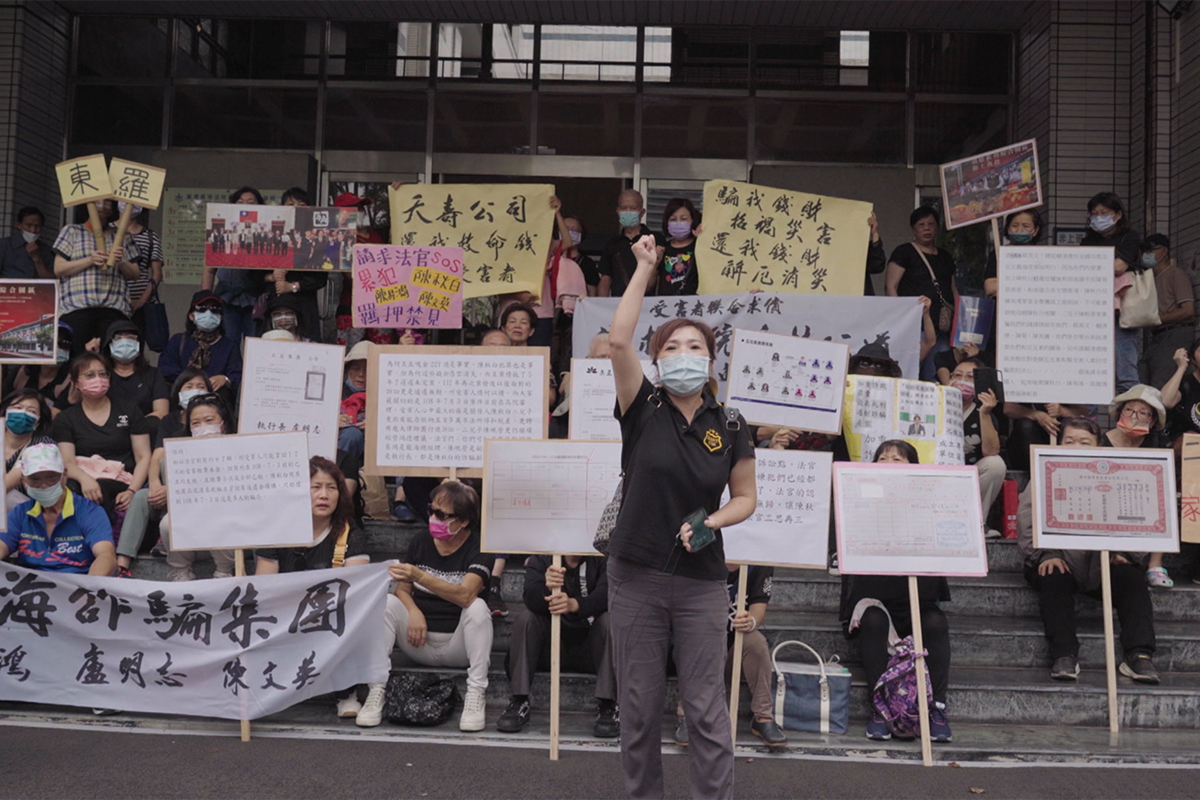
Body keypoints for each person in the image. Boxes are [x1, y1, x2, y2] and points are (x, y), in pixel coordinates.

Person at [607, 234, 756, 800]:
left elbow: (745, 497)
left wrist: (712, 523)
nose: (684, 354)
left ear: (711, 360)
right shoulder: (642, 407)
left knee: (706, 708)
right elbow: (618, 340)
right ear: (657, 360)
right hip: (635, 576)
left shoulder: (731, 423)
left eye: (695, 346)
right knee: (639, 708)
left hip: (701, 583)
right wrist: (645, 267)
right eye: (671, 347)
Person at [1017, 417, 1160, 684]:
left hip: (1101, 562)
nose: (1075, 447)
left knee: (1131, 580)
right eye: (1069, 441)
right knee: (1053, 578)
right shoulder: (1044, 473)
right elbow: (1027, 520)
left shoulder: (1118, 476)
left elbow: (1138, 518)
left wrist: (1126, 555)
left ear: (1098, 447)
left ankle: (1139, 655)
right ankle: (1064, 655)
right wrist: (1046, 554)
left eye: (1084, 442)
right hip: (1059, 559)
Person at [357, 481, 495, 732]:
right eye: (432, 510)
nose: (434, 518)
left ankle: (476, 694)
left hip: (459, 644)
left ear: (464, 521)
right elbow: (402, 589)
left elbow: (466, 595)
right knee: (387, 602)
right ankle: (377, 689)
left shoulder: (480, 547)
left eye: (442, 515)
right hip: (418, 641)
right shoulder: (421, 541)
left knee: (478, 608)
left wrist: (420, 576)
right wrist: (413, 611)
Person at [842, 439, 952, 743]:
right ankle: (880, 710)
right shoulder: (858, 502)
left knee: (935, 623)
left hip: (917, 598)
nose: (889, 464)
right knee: (874, 620)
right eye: (883, 458)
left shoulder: (928, 504)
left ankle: (937, 708)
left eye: (898, 459)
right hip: (875, 599)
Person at [255, 456, 370, 718]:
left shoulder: (350, 535)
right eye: (315, 487)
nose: (323, 495)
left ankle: (346, 691)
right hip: (285, 615)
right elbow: (264, 587)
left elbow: (356, 589)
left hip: (329, 615)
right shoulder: (277, 532)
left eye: (331, 488)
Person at [50, 353, 152, 577]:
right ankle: (72, 551)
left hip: (123, 480)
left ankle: (104, 555)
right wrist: (86, 479)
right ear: (76, 383)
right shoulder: (66, 419)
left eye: (102, 374)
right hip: (83, 478)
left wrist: (132, 490)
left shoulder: (129, 411)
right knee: (71, 490)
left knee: (102, 489)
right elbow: (67, 461)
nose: (98, 379)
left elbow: (144, 456)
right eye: (89, 375)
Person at [498, 553, 619, 739]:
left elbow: (608, 595)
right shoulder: (543, 557)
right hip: (552, 646)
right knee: (526, 619)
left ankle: (609, 704)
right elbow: (530, 597)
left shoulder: (602, 557)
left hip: (591, 646)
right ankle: (519, 700)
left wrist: (575, 604)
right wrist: (546, 589)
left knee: (610, 621)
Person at [674, 562, 786, 749]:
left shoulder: (758, 559)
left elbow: (759, 607)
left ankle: (763, 716)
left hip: (734, 649)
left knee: (755, 641)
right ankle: (687, 714)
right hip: (702, 644)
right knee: (697, 637)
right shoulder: (703, 552)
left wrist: (750, 621)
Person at [157, 392, 240, 581]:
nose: (203, 427)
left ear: (224, 424)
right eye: (195, 423)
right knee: (168, 523)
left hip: (231, 533)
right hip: (195, 528)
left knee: (218, 519)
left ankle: (224, 573)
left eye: (209, 420)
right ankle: (181, 571)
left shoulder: (240, 450)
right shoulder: (179, 456)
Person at [1, 442, 115, 575]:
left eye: (51, 478)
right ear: (24, 481)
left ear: (64, 474)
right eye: (35, 479)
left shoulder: (89, 512)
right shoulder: (20, 513)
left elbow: (106, 556)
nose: (44, 485)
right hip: (30, 584)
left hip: (77, 582)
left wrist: (90, 585)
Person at [1104, 384, 1173, 589]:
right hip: (1109, 500)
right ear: (1120, 412)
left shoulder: (1156, 443)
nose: (1134, 416)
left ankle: (1155, 565)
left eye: (1143, 413)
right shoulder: (1102, 440)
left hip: (1142, 501)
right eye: (1129, 410)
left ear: (1152, 421)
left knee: (1165, 499)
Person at [53, 198, 142, 353]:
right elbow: (58, 268)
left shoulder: (122, 236)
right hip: (76, 308)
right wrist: (90, 260)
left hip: (113, 309)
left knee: (111, 358)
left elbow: (135, 274)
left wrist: (121, 261)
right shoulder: (72, 231)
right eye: (98, 201)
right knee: (77, 358)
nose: (103, 205)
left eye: (107, 201)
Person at [1081, 191, 1143, 394]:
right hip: (1093, 311)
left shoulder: (1129, 237)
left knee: (1126, 368)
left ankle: (1130, 412)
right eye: (1094, 213)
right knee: (1089, 369)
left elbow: (1119, 266)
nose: (1098, 217)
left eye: (1104, 212)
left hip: (1123, 311)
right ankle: (1087, 414)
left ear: (1117, 215)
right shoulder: (1087, 242)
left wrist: (1092, 264)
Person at [885, 207, 956, 381]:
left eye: (931, 224)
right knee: (910, 372)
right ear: (913, 228)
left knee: (937, 373)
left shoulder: (945, 256)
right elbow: (890, 286)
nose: (927, 228)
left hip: (942, 326)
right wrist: (899, 318)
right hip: (915, 326)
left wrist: (957, 321)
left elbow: (952, 288)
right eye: (921, 225)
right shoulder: (904, 252)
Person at [946, 356, 1006, 538]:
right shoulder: (933, 404)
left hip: (966, 477)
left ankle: (977, 522)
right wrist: (939, 399)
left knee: (995, 464)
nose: (962, 381)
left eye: (970, 378)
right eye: (957, 375)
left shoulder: (982, 413)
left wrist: (985, 413)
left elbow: (991, 451)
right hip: (936, 473)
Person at [260, 186, 328, 343]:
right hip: (275, 305)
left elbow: (320, 279)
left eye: (301, 205)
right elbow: (252, 275)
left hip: (304, 305)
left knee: (306, 345)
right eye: (290, 205)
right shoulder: (268, 235)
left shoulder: (317, 239)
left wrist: (293, 286)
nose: (296, 208)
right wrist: (271, 277)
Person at [202, 187, 267, 347]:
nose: (245, 206)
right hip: (226, 297)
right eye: (240, 202)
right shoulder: (221, 231)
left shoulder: (266, 232)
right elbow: (209, 270)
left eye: (251, 202)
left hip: (255, 298)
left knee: (254, 343)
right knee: (228, 343)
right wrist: (205, 299)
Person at [159, 291, 243, 403]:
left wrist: (225, 379)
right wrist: (192, 382)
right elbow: (165, 369)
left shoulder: (229, 346)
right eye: (202, 309)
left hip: (216, 403)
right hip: (181, 401)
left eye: (214, 309)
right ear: (191, 316)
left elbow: (238, 375)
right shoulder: (178, 341)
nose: (208, 313)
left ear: (221, 317)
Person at [1139, 234, 1194, 389]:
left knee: (1161, 382)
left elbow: (1188, 311)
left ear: (1164, 251)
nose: (1146, 254)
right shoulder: (1149, 279)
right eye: (1144, 251)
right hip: (1158, 335)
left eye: (1151, 250)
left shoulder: (1175, 274)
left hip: (1175, 333)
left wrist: (1157, 319)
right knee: (1144, 375)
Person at [100, 320, 169, 430]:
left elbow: (161, 412)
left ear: (139, 343)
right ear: (109, 343)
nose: (124, 342)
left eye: (131, 337)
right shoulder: (101, 376)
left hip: (146, 431)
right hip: (107, 433)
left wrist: (133, 427)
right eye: (118, 337)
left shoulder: (154, 374)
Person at [598, 189, 660, 298]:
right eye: (623, 208)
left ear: (642, 212)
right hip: (619, 303)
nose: (628, 211)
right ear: (618, 211)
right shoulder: (612, 244)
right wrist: (600, 305)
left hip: (648, 303)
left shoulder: (655, 239)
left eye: (633, 208)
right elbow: (605, 280)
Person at [2, 388, 55, 509]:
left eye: (31, 411)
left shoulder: (43, 445)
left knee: (8, 497)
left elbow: (6, 484)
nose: (23, 414)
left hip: (26, 508)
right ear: (6, 412)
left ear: (37, 422)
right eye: (17, 408)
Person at [123, 204, 164, 337]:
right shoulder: (107, 231)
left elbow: (157, 274)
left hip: (141, 305)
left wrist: (141, 301)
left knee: (136, 341)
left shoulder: (151, 236)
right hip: (113, 302)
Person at [655, 198, 700, 297]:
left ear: (693, 221)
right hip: (666, 305)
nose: (678, 223)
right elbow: (649, 286)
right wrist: (654, 264)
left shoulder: (700, 247)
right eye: (673, 219)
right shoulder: (663, 249)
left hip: (694, 304)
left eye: (684, 219)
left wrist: (703, 239)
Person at [0, 206, 54, 279]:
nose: (33, 230)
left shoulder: (46, 250)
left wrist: (37, 259)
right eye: (28, 225)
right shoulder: (4, 245)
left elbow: (50, 279)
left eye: (37, 226)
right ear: (19, 225)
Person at [339, 341, 369, 459]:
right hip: (342, 447)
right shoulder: (335, 391)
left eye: (367, 369)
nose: (361, 374)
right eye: (356, 368)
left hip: (370, 453)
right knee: (351, 434)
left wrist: (377, 424)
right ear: (347, 370)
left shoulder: (384, 395)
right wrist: (333, 422)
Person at [559, 212, 600, 295]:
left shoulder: (587, 263)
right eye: (566, 229)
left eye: (574, 230)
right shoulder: (551, 260)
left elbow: (592, 292)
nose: (570, 233)